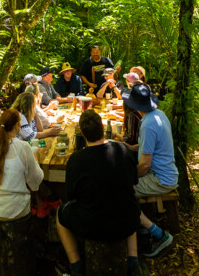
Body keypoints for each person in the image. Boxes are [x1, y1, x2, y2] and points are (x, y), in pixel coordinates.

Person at [56, 110, 141, 276]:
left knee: (60, 214)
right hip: (127, 220)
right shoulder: (123, 150)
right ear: (103, 128)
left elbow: (71, 197)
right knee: (128, 202)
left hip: (92, 226)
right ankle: (133, 261)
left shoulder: (76, 159)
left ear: (82, 133)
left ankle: (76, 266)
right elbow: (132, 183)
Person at [125, 83, 177, 257]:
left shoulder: (147, 124)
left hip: (160, 178)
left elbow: (145, 165)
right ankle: (143, 229)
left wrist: (131, 178)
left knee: (123, 194)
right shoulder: (158, 115)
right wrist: (131, 148)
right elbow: (150, 146)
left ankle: (158, 234)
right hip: (165, 173)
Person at [0, 109, 45, 220]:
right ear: (17, 125)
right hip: (14, 210)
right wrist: (36, 160)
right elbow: (35, 180)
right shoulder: (23, 147)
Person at [118, 73, 145, 150]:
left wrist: (117, 135)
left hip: (135, 152)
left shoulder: (132, 116)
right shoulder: (136, 112)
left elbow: (130, 140)